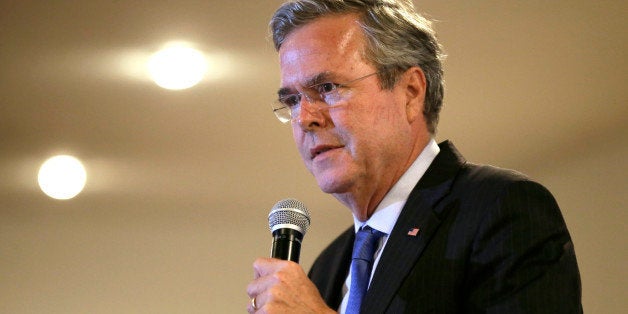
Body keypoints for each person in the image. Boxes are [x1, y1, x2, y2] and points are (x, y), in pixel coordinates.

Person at [246, 0, 582, 313]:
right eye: (292, 100)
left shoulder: (502, 209)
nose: (305, 118)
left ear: (411, 92)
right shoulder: (329, 266)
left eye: (328, 88)